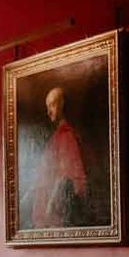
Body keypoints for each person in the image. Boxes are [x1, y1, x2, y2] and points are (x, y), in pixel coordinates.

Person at [31, 87, 87, 228]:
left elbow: (65, 176)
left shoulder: (66, 136)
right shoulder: (57, 136)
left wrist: (50, 208)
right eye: (47, 106)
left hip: (56, 210)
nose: (49, 111)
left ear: (62, 105)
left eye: (52, 105)